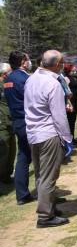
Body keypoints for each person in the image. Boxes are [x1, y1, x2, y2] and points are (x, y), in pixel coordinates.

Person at [24, 50, 73, 228]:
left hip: (33, 133)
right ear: (57, 64)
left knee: (40, 174)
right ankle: (45, 216)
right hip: (48, 134)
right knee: (49, 176)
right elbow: (59, 116)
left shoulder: (31, 79)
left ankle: (49, 207)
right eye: (62, 63)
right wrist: (67, 138)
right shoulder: (52, 84)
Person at [4, 51, 35, 205]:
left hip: (17, 122)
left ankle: (22, 195)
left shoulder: (8, 79)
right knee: (40, 157)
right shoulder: (26, 79)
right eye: (28, 59)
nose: (29, 62)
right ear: (23, 62)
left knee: (23, 158)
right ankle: (45, 194)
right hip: (30, 122)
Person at [0, 63, 17, 184]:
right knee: (3, 151)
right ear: (4, 73)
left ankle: (7, 175)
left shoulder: (8, 83)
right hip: (2, 122)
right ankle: (2, 177)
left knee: (12, 149)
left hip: (11, 120)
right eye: (10, 71)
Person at [63, 62, 77, 145]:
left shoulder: (73, 77)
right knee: (69, 120)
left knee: (73, 120)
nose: (75, 69)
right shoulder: (66, 78)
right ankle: (68, 140)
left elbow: (76, 85)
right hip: (69, 102)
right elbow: (66, 91)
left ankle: (72, 137)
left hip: (75, 101)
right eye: (73, 68)